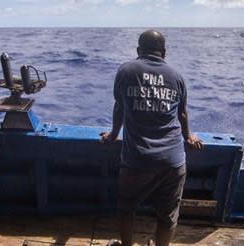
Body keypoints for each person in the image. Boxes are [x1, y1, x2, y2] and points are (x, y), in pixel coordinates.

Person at [100, 29, 203, 246]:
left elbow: (119, 107)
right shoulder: (176, 76)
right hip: (173, 161)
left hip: (137, 160)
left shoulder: (126, 70)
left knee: (127, 208)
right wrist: (188, 136)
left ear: (139, 50)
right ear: (164, 52)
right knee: (167, 217)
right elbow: (182, 113)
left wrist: (113, 135)